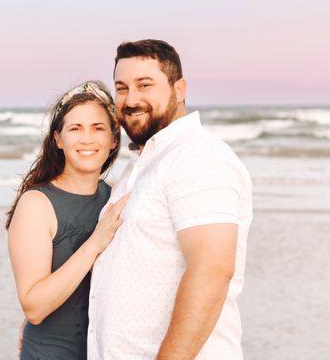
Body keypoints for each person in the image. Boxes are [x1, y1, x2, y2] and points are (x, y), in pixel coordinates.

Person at [87, 39, 253, 359]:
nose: (131, 99)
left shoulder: (197, 156)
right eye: (121, 88)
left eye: (144, 85)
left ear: (180, 89)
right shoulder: (141, 165)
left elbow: (212, 269)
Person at [6, 81, 130, 360]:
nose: (87, 139)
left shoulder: (114, 198)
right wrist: (94, 243)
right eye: (75, 128)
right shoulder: (36, 204)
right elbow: (34, 308)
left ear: (113, 140)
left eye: (98, 128)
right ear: (58, 139)